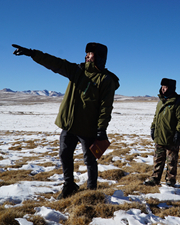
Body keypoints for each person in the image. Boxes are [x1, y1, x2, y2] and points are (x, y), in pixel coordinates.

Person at [12, 43, 120, 199]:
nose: (86, 56)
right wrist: (33, 54)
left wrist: (101, 129)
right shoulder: (77, 71)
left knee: (89, 160)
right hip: (69, 126)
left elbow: (106, 107)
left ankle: (91, 191)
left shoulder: (105, 79)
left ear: (100, 57)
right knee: (64, 154)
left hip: (88, 128)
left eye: (90, 53)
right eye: (86, 53)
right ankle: (69, 185)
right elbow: (56, 63)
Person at [144, 78, 180, 187]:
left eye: (166, 87)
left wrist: (178, 132)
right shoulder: (161, 101)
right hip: (159, 136)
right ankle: (155, 178)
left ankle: (170, 181)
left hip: (171, 137)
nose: (163, 89)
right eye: (162, 87)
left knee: (171, 161)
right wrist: (153, 128)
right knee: (158, 160)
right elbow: (156, 117)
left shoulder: (178, 102)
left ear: (172, 88)